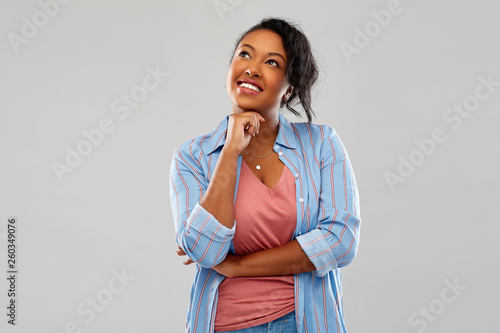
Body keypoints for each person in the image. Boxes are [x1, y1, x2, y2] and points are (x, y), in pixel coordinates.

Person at [169, 17, 361, 333]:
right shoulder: (192, 157)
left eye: (271, 62)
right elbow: (204, 251)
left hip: (305, 321)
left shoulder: (321, 144)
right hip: (226, 325)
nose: (252, 68)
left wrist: (237, 266)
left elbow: (341, 241)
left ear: (289, 88)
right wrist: (230, 152)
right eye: (245, 54)